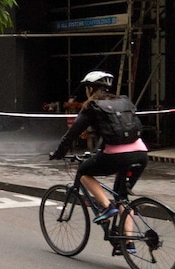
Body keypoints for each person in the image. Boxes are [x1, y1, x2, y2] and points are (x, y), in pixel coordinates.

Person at [50, 71, 148, 244]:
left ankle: (106, 207)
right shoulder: (123, 102)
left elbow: (71, 135)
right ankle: (128, 242)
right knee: (122, 197)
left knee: (84, 171)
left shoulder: (93, 106)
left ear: (89, 89)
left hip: (117, 155)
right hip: (141, 154)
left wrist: (58, 153)